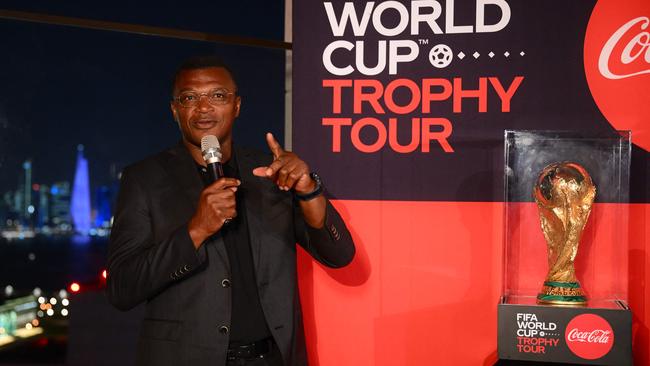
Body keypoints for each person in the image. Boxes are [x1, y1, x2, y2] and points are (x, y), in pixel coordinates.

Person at [106, 56, 355, 366]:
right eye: (189, 98)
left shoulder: (269, 172)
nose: (203, 107)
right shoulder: (144, 179)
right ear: (175, 110)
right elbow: (121, 288)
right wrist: (196, 230)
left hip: (272, 358)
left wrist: (308, 189)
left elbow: (340, 254)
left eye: (217, 95)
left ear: (237, 105)